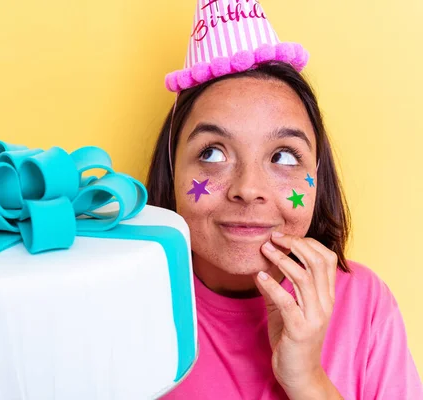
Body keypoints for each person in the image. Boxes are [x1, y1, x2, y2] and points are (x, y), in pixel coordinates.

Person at [147, 1, 423, 399]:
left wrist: (308, 378)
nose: (248, 188)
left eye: (282, 156)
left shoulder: (365, 302)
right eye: (212, 153)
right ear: (171, 171)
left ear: (318, 175)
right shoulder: (126, 302)